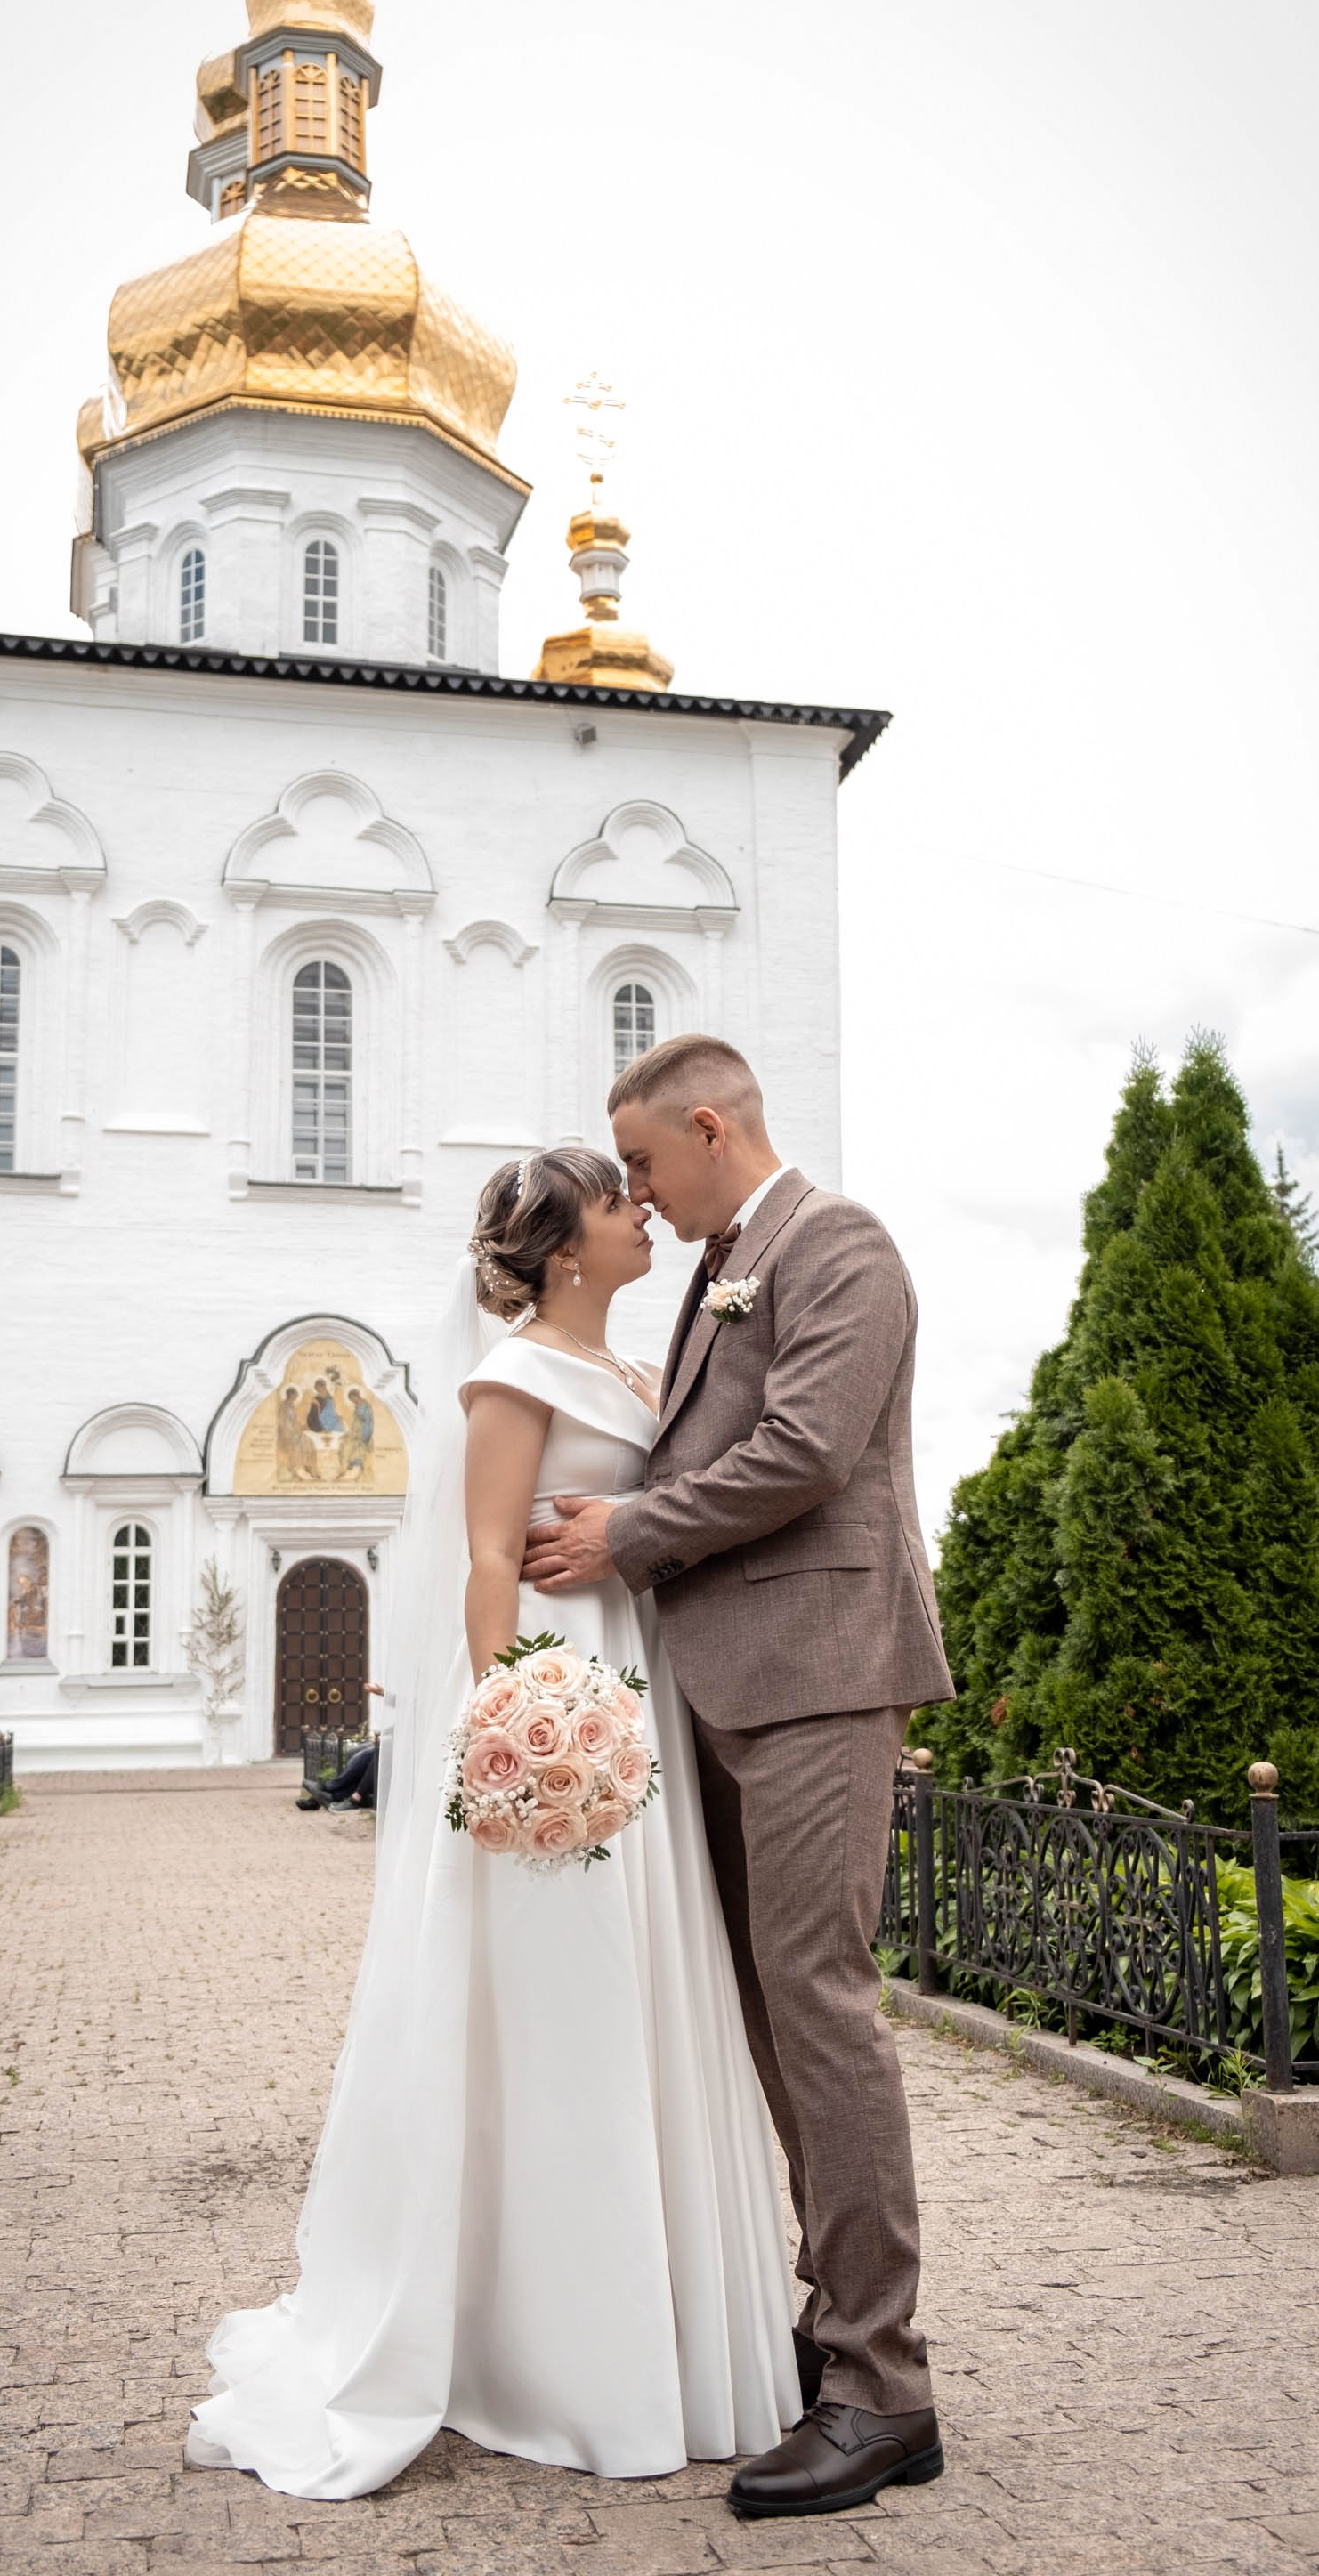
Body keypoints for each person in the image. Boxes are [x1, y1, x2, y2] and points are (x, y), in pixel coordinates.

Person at [186, 1147, 799, 2499]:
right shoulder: (511, 1374)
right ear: (567, 1247)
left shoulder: (638, 1375)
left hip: (641, 1691)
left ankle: (680, 2323)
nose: (645, 1208)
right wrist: (519, 1729)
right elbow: (482, 1557)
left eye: (647, 1188)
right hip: (567, 1709)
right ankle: (560, 2351)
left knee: (648, 1996)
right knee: (568, 2010)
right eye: (616, 1197)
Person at [522, 1034, 955, 2519]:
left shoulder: (842, 1246)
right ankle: (834, 2333)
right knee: (767, 2020)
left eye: (645, 1164)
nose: (634, 1193)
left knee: (821, 2009)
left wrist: (623, 1532)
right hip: (719, 1683)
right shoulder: (719, 1269)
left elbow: (808, 1453)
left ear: (710, 1127)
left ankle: (884, 2387)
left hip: (824, 1674)